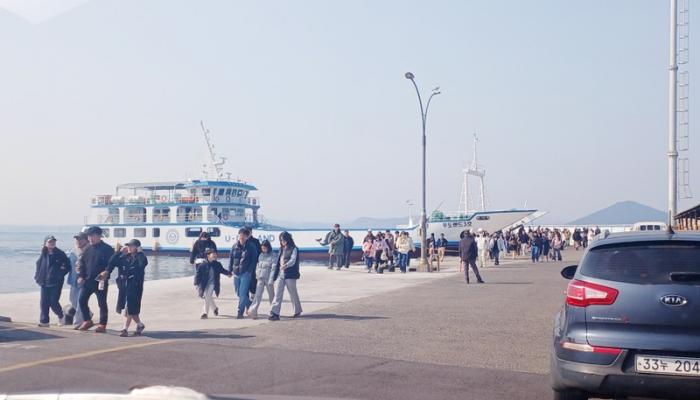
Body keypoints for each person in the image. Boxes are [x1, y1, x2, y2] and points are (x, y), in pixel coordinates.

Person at [77, 226, 115, 332]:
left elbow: (112, 263)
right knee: (81, 300)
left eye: (92, 236)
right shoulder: (87, 248)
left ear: (99, 236)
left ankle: (102, 324)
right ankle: (87, 320)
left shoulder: (107, 249)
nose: (90, 239)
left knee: (102, 303)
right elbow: (82, 263)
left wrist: (107, 271)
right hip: (87, 280)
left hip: (100, 281)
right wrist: (81, 276)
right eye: (89, 236)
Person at [108, 239, 148, 337]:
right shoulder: (126, 257)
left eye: (132, 246)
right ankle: (140, 325)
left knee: (129, 307)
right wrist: (119, 252)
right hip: (124, 286)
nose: (129, 248)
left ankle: (125, 329)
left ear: (137, 247)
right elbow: (112, 262)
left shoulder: (140, 257)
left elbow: (142, 264)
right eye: (128, 246)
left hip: (135, 287)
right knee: (131, 309)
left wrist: (140, 253)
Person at [34, 235, 70, 327]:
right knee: (44, 302)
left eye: (53, 241)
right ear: (45, 243)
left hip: (56, 282)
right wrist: (37, 276)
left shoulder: (60, 253)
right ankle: (44, 321)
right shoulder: (44, 253)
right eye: (50, 242)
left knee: (53, 302)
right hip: (44, 281)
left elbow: (67, 266)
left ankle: (61, 315)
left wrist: (59, 275)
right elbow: (38, 264)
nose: (52, 243)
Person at [269, 231, 302, 321]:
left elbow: (293, 260)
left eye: (283, 240)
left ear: (288, 239)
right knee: (278, 293)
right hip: (281, 274)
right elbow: (277, 263)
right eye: (281, 240)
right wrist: (274, 276)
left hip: (290, 274)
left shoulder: (294, 249)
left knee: (293, 293)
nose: (282, 242)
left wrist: (286, 265)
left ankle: (297, 310)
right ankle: (275, 313)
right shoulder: (281, 249)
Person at [229, 228, 258, 319]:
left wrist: (249, 271)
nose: (241, 237)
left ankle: (240, 312)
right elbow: (231, 259)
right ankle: (250, 305)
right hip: (236, 273)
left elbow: (254, 260)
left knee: (242, 293)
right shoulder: (234, 246)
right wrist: (230, 270)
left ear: (247, 236)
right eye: (240, 235)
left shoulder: (251, 247)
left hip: (246, 273)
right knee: (238, 293)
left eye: (243, 236)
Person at [196, 248, 231, 319]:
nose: (215, 255)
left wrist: (228, 273)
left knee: (207, 297)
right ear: (208, 255)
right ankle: (215, 308)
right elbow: (198, 275)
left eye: (215, 254)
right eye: (213, 254)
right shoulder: (202, 265)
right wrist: (196, 283)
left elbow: (222, 270)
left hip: (213, 283)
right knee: (209, 297)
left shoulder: (217, 264)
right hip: (204, 284)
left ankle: (205, 313)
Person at [66, 232, 89, 328]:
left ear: (86, 240)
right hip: (73, 280)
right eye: (77, 239)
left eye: (80, 239)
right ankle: (88, 313)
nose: (78, 241)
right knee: (72, 299)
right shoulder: (73, 252)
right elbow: (67, 264)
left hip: (84, 281)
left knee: (80, 301)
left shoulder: (89, 251)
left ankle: (78, 322)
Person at [248, 240, 275, 319]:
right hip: (260, 278)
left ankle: (273, 311)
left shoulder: (273, 255)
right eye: (262, 248)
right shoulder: (261, 255)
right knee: (258, 295)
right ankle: (253, 311)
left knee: (271, 295)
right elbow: (258, 266)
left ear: (268, 247)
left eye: (264, 248)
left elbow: (274, 268)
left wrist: (271, 279)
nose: (263, 250)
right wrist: (257, 274)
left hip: (268, 278)